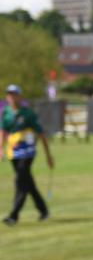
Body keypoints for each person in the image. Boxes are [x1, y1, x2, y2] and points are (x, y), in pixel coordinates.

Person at [2, 84, 53, 225]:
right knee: (28, 182)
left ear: (20, 96)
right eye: (9, 94)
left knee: (20, 181)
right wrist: (1, 149)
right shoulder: (6, 112)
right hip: (14, 152)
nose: (12, 97)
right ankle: (44, 211)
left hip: (28, 151)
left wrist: (48, 156)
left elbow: (41, 135)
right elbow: (3, 132)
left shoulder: (28, 113)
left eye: (14, 94)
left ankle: (14, 215)